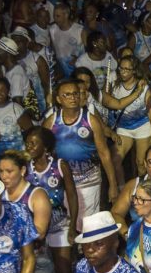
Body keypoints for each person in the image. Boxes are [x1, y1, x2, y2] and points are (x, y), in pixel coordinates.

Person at [43, 78, 119, 218]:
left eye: (75, 93)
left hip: (89, 181)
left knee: (88, 224)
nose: (72, 97)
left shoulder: (91, 120)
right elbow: (44, 155)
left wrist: (113, 185)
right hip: (63, 182)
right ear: (59, 99)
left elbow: (104, 153)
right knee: (67, 223)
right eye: (67, 94)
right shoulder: (51, 123)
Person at [24, 126, 79, 273]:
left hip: (58, 223)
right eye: (27, 142)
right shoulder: (25, 167)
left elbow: (71, 195)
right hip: (34, 225)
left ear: (45, 147)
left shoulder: (59, 165)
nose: (29, 146)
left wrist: (73, 227)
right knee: (36, 266)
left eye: (34, 143)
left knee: (63, 267)